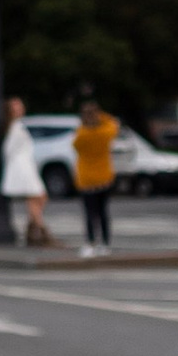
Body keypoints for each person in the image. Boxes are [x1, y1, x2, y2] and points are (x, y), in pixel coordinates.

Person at [0, 94, 51, 247]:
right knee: (36, 197)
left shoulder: (17, 125)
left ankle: (33, 230)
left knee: (38, 198)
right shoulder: (14, 127)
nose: (20, 109)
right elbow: (8, 150)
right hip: (22, 167)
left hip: (26, 166)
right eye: (16, 106)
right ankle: (41, 231)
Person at [74, 88, 119, 257]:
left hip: (86, 178)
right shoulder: (106, 132)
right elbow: (113, 123)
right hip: (104, 176)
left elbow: (76, 147)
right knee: (103, 212)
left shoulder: (82, 134)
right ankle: (105, 243)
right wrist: (101, 114)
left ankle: (90, 242)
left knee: (89, 213)